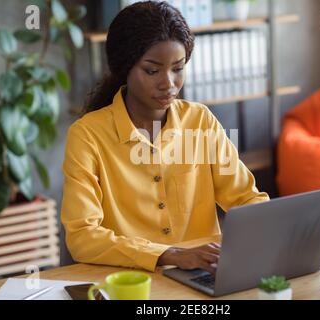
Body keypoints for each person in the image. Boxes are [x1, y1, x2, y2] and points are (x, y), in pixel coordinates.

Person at [61, 1, 269, 275]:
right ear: (125, 68)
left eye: (178, 68)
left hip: (205, 275)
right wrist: (169, 255)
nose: (169, 84)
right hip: (131, 282)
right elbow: (82, 237)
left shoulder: (200, 121)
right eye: (152, 70)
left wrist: (274, 231)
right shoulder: (87, 136)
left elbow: (245, 198)